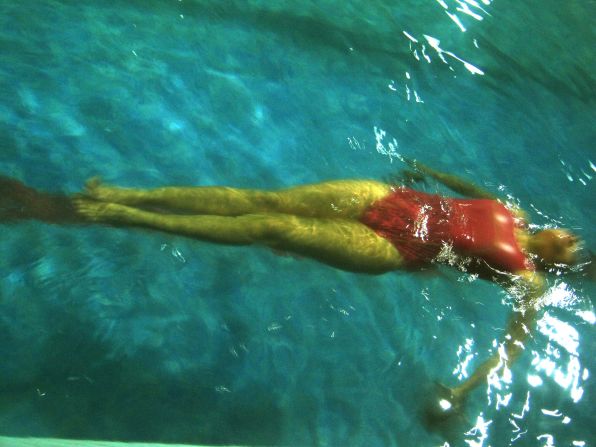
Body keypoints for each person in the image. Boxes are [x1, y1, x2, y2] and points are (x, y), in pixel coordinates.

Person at [0, 161, 582, 424]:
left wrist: (466, 386)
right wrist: (429, 172)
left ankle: (120, 213)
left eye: (573, 248)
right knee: (267, 199)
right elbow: (472, 190)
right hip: (393, 200)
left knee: (270, 228)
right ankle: (130, 193)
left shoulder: (525, 279)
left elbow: (513, 344)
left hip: (397, 251)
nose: (570, 236)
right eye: (572, 234)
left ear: (559, 263)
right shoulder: (519, 211)